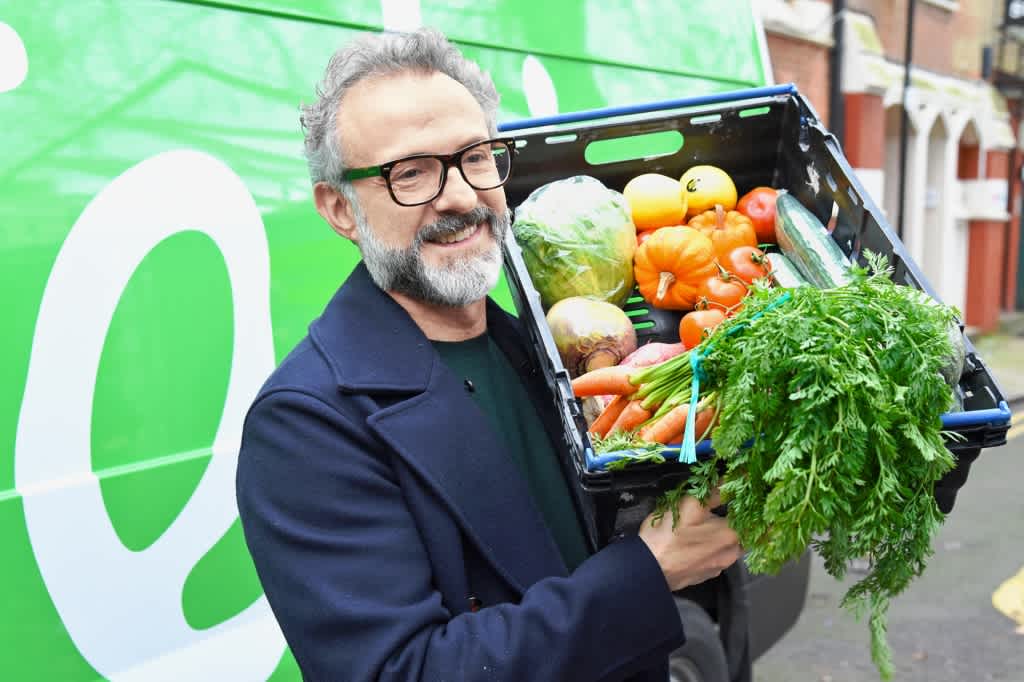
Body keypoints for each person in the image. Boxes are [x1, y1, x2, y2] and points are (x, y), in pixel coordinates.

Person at [235, 26, 978, 682]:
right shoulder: (307, 424)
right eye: (411, 172)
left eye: (475, 158)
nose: (458, 196)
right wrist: (647, 574)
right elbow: (403, 670)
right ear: (340, 208)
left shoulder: (542, 353)